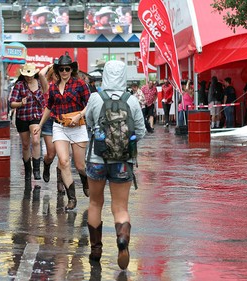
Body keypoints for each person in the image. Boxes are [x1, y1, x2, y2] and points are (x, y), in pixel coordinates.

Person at [85, 60, 145, 270]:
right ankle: (122, 239)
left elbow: (89, 124)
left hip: (97, 160)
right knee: (120, 208)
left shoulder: (95, 98)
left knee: (95, 203)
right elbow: (141, 131)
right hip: (123, 162)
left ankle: (96, 250)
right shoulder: (133, 101)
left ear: (106, 76)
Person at [33, 54, 90, 211]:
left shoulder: (80, 84)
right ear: (58, 70)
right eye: (61, 69)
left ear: (72, 69)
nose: (65, 71)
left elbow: (89, 104)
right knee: (64, 161)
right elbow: (49, 107)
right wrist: (40, 124)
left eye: (67, 69)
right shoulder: (52, 87)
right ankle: (71, 198)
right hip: (59, 127)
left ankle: (85, 180)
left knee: (80, 165)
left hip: (78, 127)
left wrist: (79, 115)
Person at [9, 63, 49, 182]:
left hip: (36, 116)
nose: (29, 77)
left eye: (31, 74)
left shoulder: (40, 83)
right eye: (27, 75)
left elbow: (46, 86)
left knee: (36, 140)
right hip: (22, 117)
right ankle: (28, 170)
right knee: (25, 145)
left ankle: (36, 170)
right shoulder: (19, 85)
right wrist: (21, 103)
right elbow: (11, 103)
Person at [41, 65, 65, 194]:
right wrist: (50, 65)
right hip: (49, 121)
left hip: (62, 121)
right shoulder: (48, 86)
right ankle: (46, 165)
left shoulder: (67, 85)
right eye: (56, 74)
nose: (59, 76)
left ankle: (60, 182)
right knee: (51, 154)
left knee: (63, 156)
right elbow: (40, 74)